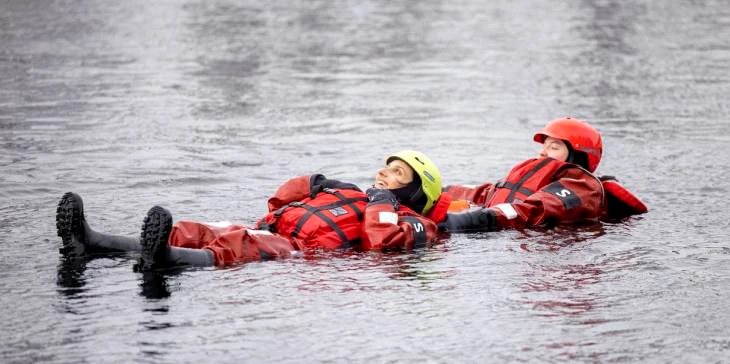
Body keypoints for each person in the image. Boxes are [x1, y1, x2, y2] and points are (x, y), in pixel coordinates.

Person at [57, 150, 454, 270]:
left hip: (301, 251)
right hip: (272, 228)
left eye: (396, 172)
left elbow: (380, 243)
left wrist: (384, 204)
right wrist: (314, 182)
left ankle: (163, 257)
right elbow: (278, 203)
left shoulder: (415, 222)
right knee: (195, 228)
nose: (383, 172)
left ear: (417, 191)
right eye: (385, 165)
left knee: (236, 243)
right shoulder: (352, 193)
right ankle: (89, 241)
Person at [440, 117, 647, 232]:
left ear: (577, 156)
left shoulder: (583, 187)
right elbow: (485, 193)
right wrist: (435, 191)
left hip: (542, 246)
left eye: (554, 146)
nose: (543, 152)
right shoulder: (540, 176)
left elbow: (533, 209)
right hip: (503, 229)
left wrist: (473, 220)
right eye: (544, 146)